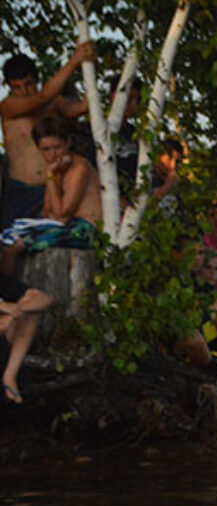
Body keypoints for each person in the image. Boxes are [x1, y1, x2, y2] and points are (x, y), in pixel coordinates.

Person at [1, 43, 94, 229]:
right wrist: (74, 61)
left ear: (36, 79)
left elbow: (79, 109)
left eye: (28, 84)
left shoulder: (55, 103)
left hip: (56, 188)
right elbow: (42, 97)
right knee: (13, 244)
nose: (24, 91)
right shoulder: (9, 106)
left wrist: (91, 71)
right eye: (17, 87)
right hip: (22, 191)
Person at [0, 116, 101, 274]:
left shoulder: (79, 168)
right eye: (46, 149)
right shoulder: (55, 169)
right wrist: (52, 176)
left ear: (67, 143)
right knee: (7, 241)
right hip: (64, 225)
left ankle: (11, 288)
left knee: (17, 245)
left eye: (57, 147)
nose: (53, 155)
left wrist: (51, 175)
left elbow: (62, 212)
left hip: (85, 229)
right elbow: (47, 211)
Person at [0, 274, 52, 404]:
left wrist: (18, 309)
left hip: (7, 344)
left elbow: (46, 299)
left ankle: (9, 376)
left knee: (31, 312)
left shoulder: (4, 282)